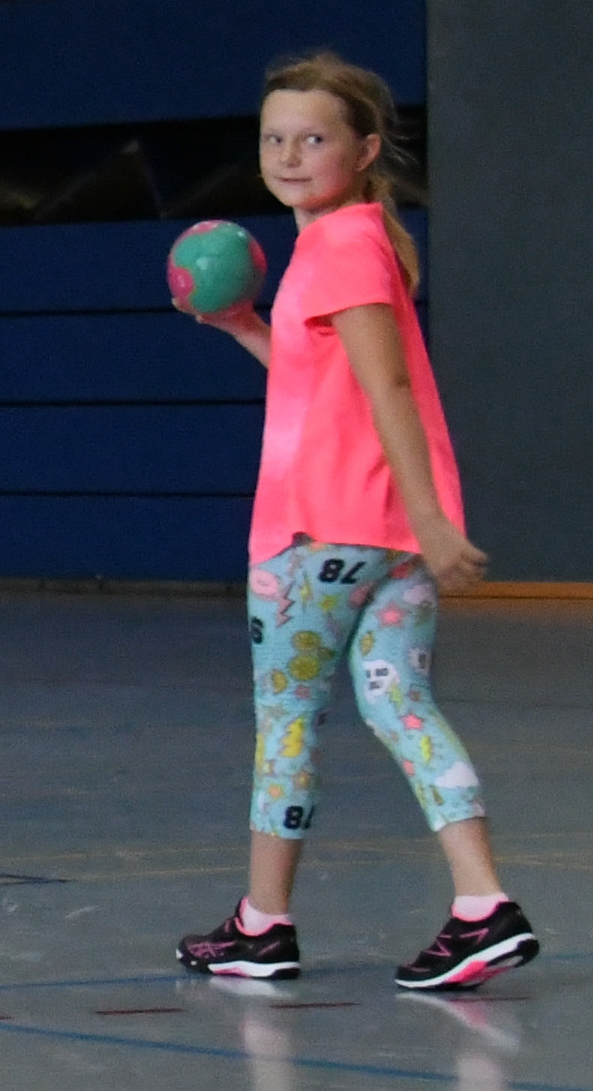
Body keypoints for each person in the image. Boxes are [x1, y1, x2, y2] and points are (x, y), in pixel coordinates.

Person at [176, 54, 535, 992]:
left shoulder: (339, 248)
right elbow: (323, 385)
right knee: (399, 703)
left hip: (315, 536)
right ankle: (482, 904)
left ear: (366, 149)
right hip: (383, 537)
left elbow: (389, 389)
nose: (290, 154)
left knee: (287, 723)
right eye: (275, 138)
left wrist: (433, 517)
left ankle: (263, 924)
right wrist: (243, 326)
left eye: (315, 138)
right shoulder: (353, 240)